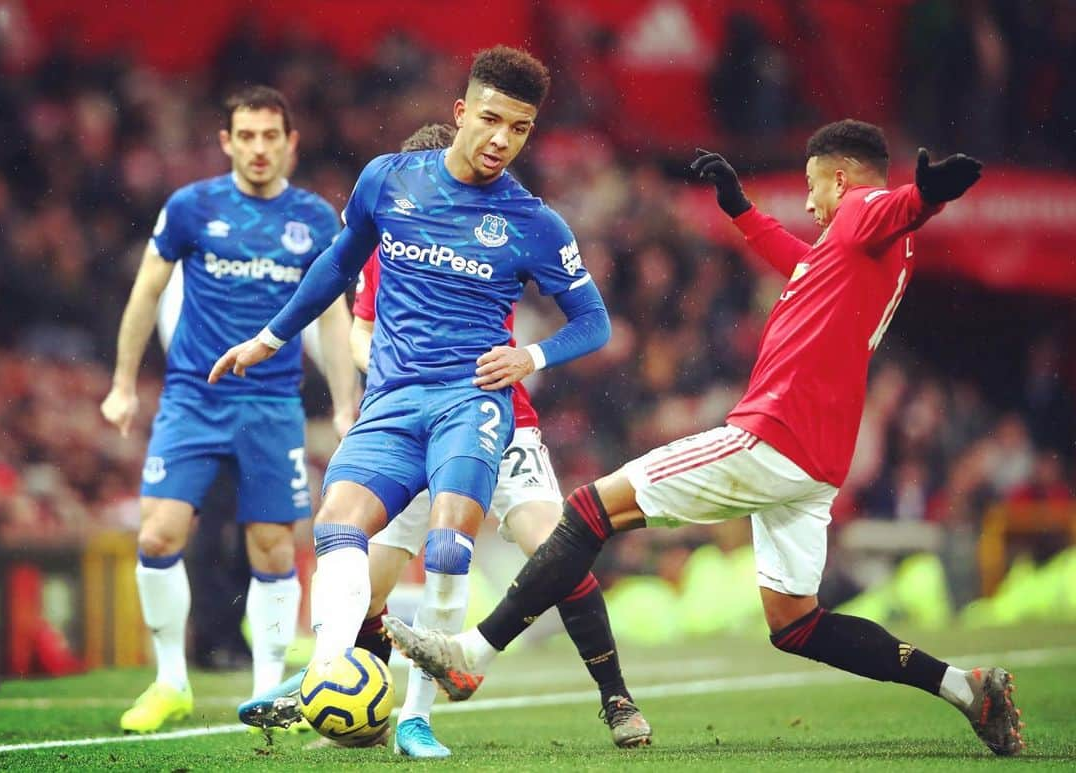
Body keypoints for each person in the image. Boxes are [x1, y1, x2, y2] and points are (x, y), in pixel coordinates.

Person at [385, 120, 1026, 757]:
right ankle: (967, 689)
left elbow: (890, 208)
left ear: (839, 178)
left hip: (772, 437)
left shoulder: (863, 211)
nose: (808, 205)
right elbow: (801, 262)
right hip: (817, 461)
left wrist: (928, 196)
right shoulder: (854, 256)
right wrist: (744, 213)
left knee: (589, 508)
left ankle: (473, 653)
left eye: (812, 189)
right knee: (797, 622)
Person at [211, 47, 613, 748]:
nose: (500, 140)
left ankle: (417, 715)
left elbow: (594, 320)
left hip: (471, 405)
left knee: (452, 542)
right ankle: (329, 675)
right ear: (461, 112)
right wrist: (269, 339)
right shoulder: (388, 182)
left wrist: (532, 354)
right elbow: (336, 264)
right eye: (490, 119)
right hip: (393, 403)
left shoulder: (532, 220)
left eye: (518, 129)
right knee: (338, 524)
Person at [345, 121, 648, 758]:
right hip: (410, 425)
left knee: (556, 548)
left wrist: (530, 357)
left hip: (495, 418)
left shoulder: (505, 225)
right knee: (365, 586)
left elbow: (592, 321)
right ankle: (351, 692)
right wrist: (386, 385)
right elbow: (360, 328)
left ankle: (615, 696)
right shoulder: (385, 244)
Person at [101, 85, 356, 733]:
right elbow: (145, 291)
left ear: (290, 141)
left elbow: (332, 316)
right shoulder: (192, 207)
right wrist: (124, 383)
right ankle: (170, 680)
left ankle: (269, 692)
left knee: (271, 547)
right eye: (246, 136)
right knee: (158, 532)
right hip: (193, 395)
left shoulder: (315, 220)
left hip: (272, 402)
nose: (259, 148)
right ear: (227, 142)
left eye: (271, 135)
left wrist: (348, 403)